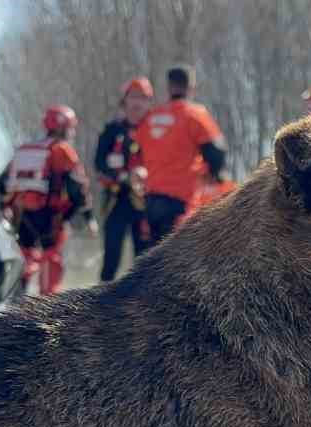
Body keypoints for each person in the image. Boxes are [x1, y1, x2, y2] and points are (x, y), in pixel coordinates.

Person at [0, 105, 92, 296]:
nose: (72, 132)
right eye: (71, 127)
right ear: (62, 127)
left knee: (25, 257)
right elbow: (77, 188)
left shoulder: (25, 149)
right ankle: (47, 304)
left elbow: (1, 185)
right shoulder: (62, 150)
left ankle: (17, 300)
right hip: (50, 216)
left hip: (22, 215)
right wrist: (87, 216)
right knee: (51, 259)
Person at [133, 65, 227, 246]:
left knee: (154, 260)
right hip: (182, 203)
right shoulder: (195, 115)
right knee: (177, 262)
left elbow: (138, 154)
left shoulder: (150, 118)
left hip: (151, 202)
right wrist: (215, 175)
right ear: (191, 87)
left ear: (168, 87)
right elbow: (216, 152)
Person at [93, 76, 155, 281]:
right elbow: (99, 162)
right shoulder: (111, 131)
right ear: (125, 100)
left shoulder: (156, 132)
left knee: (145, 258)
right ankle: (101, 305)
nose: (138, 103)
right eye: (133, 97)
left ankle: (142, 306)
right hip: (116, 199)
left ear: (149, 102)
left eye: (143, 98)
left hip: (146, 202)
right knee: (111, 256)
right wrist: (122, 177)